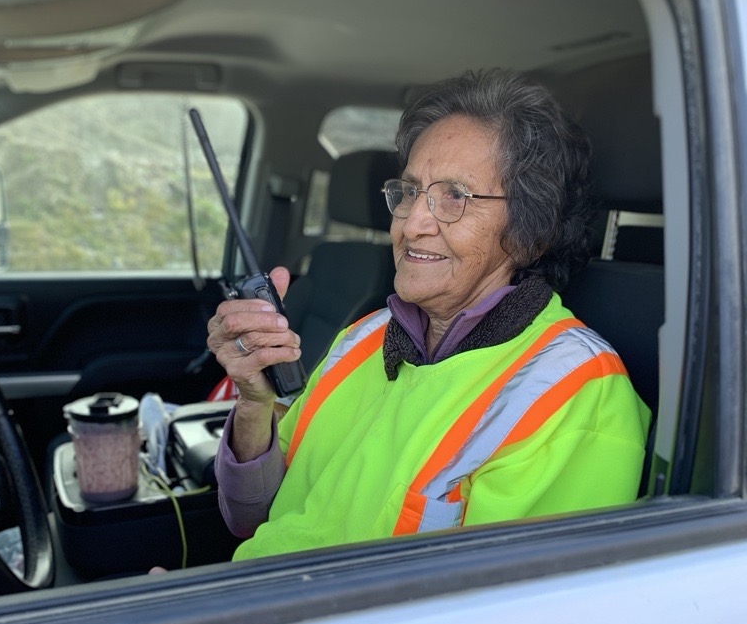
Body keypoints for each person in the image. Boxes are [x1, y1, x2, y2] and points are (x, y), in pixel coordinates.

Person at [207, 68, 651, 561]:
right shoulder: (364, 338)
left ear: (530, 231)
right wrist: (253, 404)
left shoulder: (576, 397)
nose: (413, 223)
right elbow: (253, 518)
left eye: (453, 197)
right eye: (411, 192)